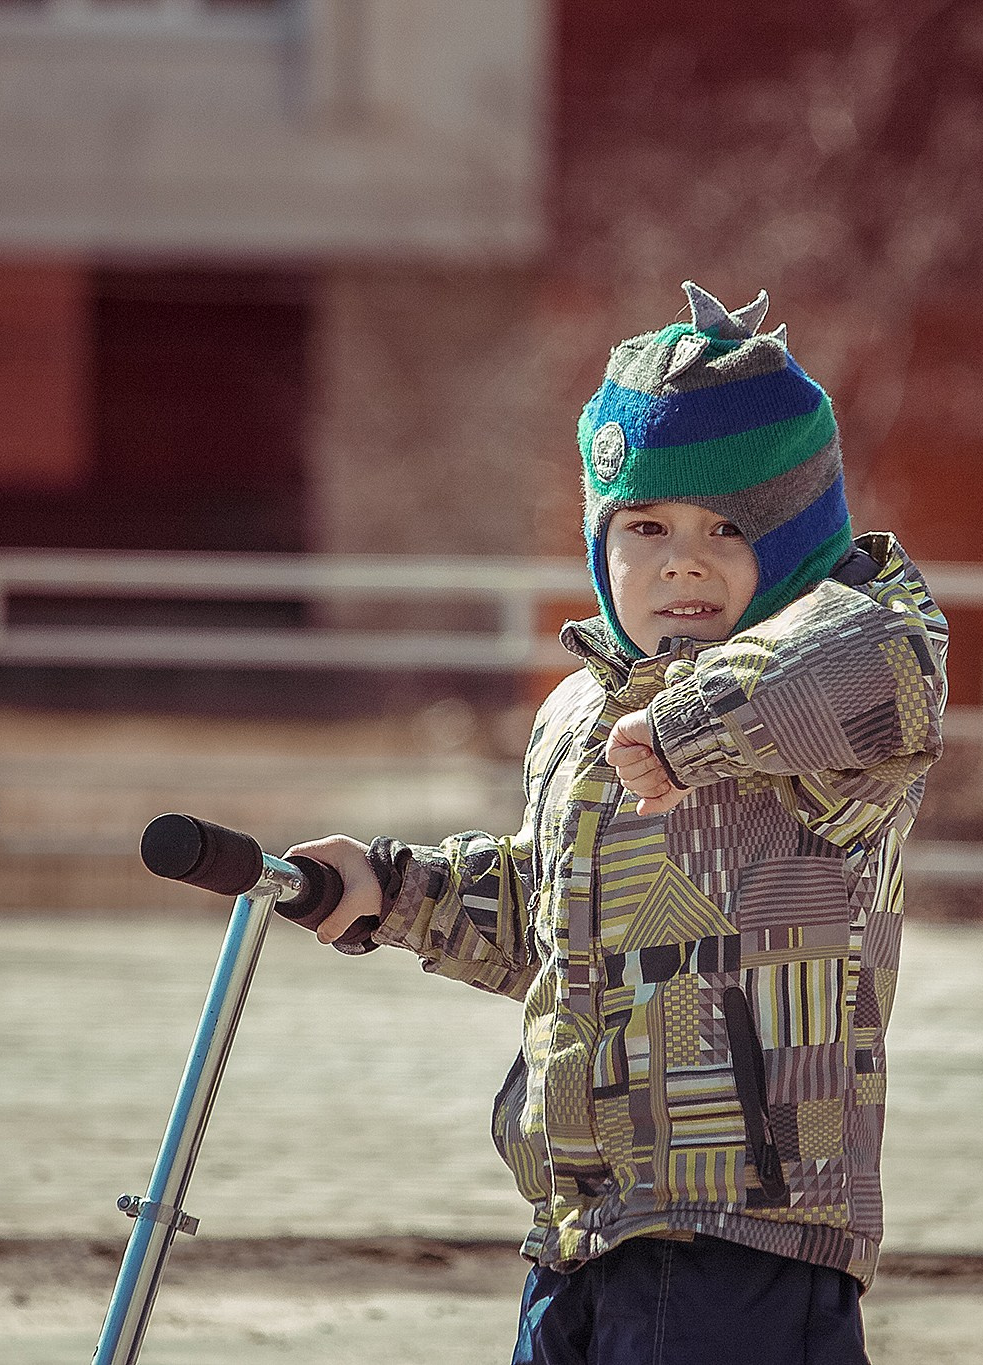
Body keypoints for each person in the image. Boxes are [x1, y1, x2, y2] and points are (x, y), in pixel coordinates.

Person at [289, 281, 949, 1365]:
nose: (678, 561)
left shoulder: (848, 700)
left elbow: (876, 656)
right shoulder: (577, 712)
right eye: (644, 527)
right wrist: (390, 890)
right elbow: (563, 921)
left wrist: (688, 725)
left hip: (744, 1227)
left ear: (792, 547)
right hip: (578, 1225)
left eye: (725, 529)